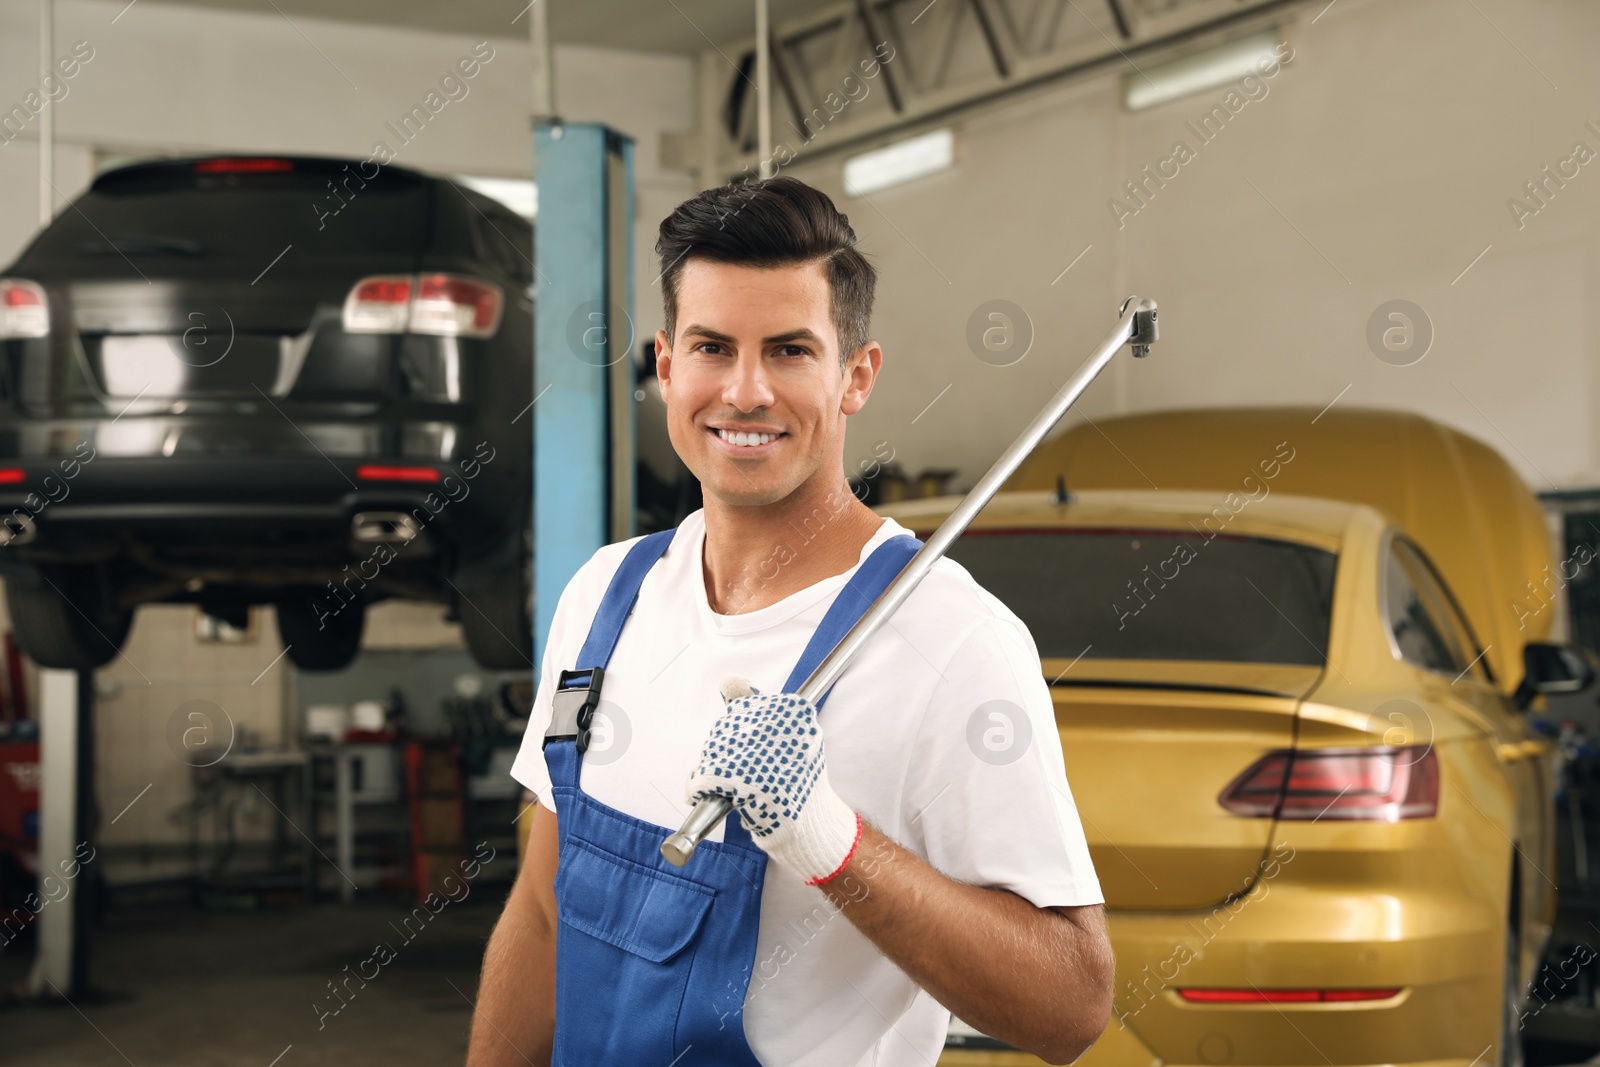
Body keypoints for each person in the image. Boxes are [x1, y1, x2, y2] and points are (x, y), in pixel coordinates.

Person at [466, 176, 1111, 1067]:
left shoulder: (951, 642)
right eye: (712, 347)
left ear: (856, 376)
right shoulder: (604, 597)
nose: (746, 390)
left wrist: (829, 840)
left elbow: (1070, 1004)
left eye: (790, 350)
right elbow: (543, 914)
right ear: (665, 366)